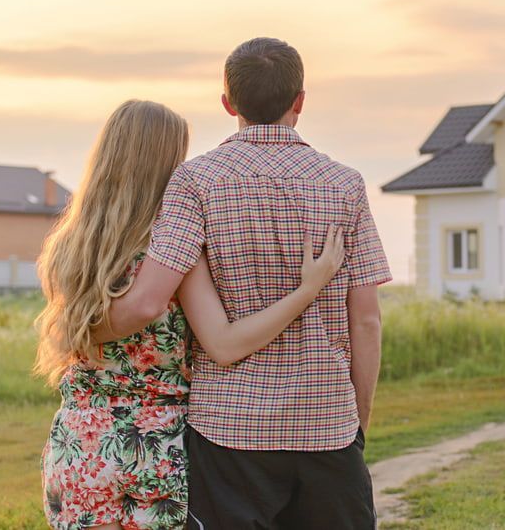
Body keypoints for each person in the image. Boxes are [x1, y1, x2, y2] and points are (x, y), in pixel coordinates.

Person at [102, 37, 392, 529]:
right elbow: (365, 319)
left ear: (228, 103)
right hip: (326, 426)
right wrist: (357, 422)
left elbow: (151, 296)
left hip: (227, 431)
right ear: (300, 101)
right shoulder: (345, 185)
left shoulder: (195, 181)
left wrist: (72, 329)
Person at [36, 100, 346, 530]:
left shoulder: (70, 245)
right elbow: (225, 342)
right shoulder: (174, 248)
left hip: (80, 438)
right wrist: (306, 290)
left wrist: (75, 332)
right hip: (155, 444)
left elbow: (73, 332)